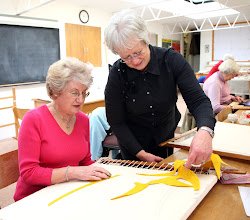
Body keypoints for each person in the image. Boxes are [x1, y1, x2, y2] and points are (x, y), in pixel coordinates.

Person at [104, 9, 216, 169]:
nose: (135, 61)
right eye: (126, 57)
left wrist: (205, 131)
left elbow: (198, 100)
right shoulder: (117, 74)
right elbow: (116, 121)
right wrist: (140, 153)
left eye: (138, 52)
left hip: (166, 139)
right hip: (133, 147)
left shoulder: (172, 60)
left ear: (147, 38)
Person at [14, 57, 111, 202]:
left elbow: (84, 161)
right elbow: (29, 173)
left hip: (67, 192)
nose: (81, 100)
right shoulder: (33, 119)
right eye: (74, 93)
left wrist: (104, 171)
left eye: (84, 93)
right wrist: (72, 172)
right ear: (55, 92)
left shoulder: (83, 120)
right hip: (35, 198)